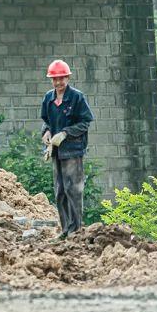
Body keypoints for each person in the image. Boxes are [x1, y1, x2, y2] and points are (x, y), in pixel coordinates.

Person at [40, 59, 94, 239]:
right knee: (60, 191)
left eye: (61, 79)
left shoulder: (77, 97)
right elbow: (46, 121)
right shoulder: (49, 98)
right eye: (55, 79)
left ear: (68, 78)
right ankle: (65, 230)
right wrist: (46, 132)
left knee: (74, 191)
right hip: (56, 152)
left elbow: (85, 122)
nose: (58, 83)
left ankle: (76, 231)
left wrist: (65, 133)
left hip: (72, 151)